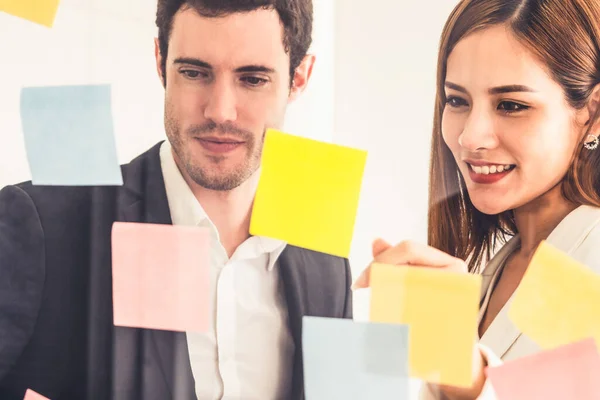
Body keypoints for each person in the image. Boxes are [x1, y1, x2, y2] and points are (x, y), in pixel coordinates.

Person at [0, 1, 352, 399]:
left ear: (299, 78)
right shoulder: (43, 224)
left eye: (252, 79)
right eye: (194, 72)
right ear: (159, 61)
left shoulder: (325, 260)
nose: (220, 111)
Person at [354, 0, 600, 398]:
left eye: (511, 105)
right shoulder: (498, 268)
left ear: (593, 113)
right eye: (457, 101)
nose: (470, 136)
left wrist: (468, 378)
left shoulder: (590, 259)